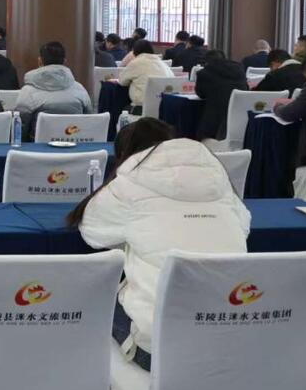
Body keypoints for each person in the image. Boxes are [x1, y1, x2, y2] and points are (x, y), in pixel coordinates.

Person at [68, 118, 249, 372]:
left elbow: (92, 233)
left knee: (96, 298)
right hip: (234, 342)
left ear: (126, 153)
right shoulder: (219, 181)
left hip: (159, 351)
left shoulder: (126, 186)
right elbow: (244, 226)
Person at [14, 41, 93, 141]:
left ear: (40, 61)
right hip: (74, 146)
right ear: (64, 62)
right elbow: (89, 120)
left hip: (37, 148)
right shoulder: (79, 89)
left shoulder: (28, 91)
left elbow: (20, 126)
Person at [194, 50, 248, 142]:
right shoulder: (239, 69)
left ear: (206, 62)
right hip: (242, 122)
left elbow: (201, 94)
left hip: (215, 125)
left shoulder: (204, 73)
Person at [118, 40, 172, 113]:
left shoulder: (136, 62)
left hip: (141, 108)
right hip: (164, 108)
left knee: (119, 107)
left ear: (134, 51)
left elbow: (122, 82)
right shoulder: (162, 63)